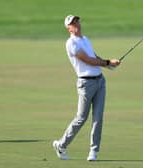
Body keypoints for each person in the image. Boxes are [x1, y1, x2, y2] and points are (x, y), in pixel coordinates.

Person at [53, 15, 120, 161]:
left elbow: (94, 56)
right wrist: (107, 62)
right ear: (68, 28)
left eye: (76, 21)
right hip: (85, 84)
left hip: (100, 81)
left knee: (98, 117)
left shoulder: (86, 39)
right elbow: (87, 60)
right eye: (72, 23)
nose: (76, 23)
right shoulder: (71, 43)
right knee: (81, 118)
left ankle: (93, 152)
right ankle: (61, 145)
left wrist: (108, 65)